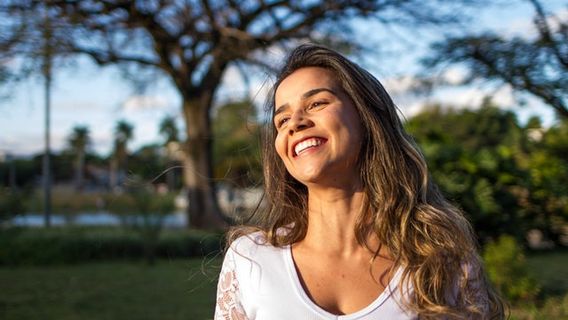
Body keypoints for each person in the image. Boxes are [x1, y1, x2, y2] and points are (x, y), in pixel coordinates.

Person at [214, 44, 505, 320]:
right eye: (282, 119)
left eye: (316, 103)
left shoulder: (440, 260)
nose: (296, 122)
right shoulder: (249, 260)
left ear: (367, 118)